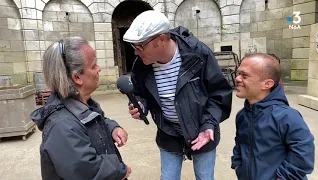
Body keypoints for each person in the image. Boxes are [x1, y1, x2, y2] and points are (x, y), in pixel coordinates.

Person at [123, 10, 233, 180]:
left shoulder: (198, 53)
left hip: (202, 132)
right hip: (168, 133)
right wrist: (140, 105)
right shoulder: (141, 65)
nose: (136, 52)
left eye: (140, 46)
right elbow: (140, 93)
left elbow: (219, 93)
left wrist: (209, 124)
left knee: (205, 177)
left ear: (161, 39)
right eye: (134, 47)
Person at [30, 37, 131, 180]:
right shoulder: (61, 125)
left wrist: (112, 127)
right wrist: (119, 170)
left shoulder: (83, 104)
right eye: (94, 65)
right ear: (77, 77)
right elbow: (86, 171)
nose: (99, 69)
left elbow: (92, 124)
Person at [231, 53, 315, 180]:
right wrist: (238, 166)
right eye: (238, 73)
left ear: (267, 83)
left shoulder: (288, 116)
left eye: (245, 75)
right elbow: (239, 145)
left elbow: (303, 155)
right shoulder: (242, 115)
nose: (237, 78)